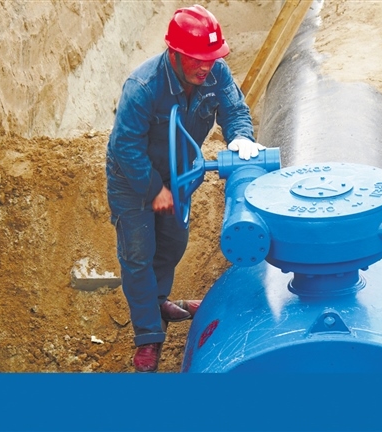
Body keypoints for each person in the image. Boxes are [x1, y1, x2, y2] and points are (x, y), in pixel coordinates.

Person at [105, 4, 265, 372]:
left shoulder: (216, 73)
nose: (206, 66)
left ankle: (160, 302)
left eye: (212, 57)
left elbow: (235, 110)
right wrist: (153, 190)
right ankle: (148, 335)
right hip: (133, 179)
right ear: (174, 53)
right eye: (197, 58)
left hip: (179, 175)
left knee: (172, 244)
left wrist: (241, 136)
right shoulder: (143, 87)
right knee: (138, 256)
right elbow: (125, 147)